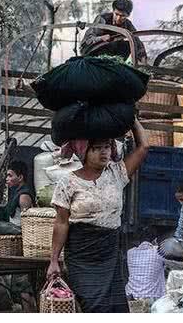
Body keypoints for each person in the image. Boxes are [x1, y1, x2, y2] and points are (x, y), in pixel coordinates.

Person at [47, 118, 149, 313]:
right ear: (84, 152)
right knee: (93, 306)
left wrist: (131, 119)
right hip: (82, 254)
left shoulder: (116, 173)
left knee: (116, 308)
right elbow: (61, 223)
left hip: (109, 252)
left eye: (107, 147)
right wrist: (54, 260)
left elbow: (144, 147)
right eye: (97, 148)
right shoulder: (68, 183)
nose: (104, 152)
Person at [3, 160, 37, 312]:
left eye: (10, 175)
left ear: (20, 177)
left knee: (23, 283)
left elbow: (27, 222)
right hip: (18, 240)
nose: (7, 179)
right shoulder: (16, 192)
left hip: (23, 240)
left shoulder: (24, 195)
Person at [80, 0, 147, 64]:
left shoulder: (127, 24)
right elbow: (88, 40)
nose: (118, 18)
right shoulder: (102, 19)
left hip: (111, 52)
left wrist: (143, 59)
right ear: (113, 11)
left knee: (127, 45)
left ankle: (116, 64)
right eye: (116, 14)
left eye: (122, 16)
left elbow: (137, 41)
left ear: (128, 15)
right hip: (93, 51)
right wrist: (101, 38)